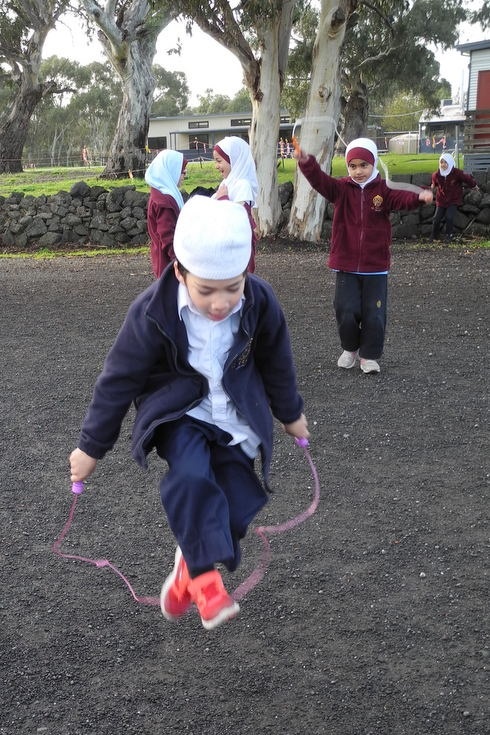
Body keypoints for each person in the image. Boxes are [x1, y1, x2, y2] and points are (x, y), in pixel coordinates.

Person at [69, 195, 309, 631]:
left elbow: (278, 360)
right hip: (181, 413)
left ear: (246, 273)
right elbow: (118, 378)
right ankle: (204, 580)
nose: (220, 303)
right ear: (179, 271)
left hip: (235, 418)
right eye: (206, 290)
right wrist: (91, 446)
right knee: (192, 477)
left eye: (232, 288)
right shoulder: (151, 311)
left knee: (237, 503)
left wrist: (290, 412)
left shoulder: (260, 301)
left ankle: (186, 569)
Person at [293, 136, 433, 374]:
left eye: (363, 165)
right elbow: (319, 180)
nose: (358, 171)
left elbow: (401, 198)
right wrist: (306, 161)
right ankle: (350, 348)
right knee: (344, 309)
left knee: (374, 313)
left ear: (374, 164)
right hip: (346, 264)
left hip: (375, 266)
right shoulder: (340, 190)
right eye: (353, 166)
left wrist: (419, 197)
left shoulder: (383, 190)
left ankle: (369, 356)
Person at [212, 136, 259, 272]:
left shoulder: (242, 185)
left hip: (236, 252)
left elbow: (237, 220)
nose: (216, 166)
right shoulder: (229, 183)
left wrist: (222, 199)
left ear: (234, 160)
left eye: (219, 161)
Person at [145, 149, 187, 278]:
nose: (184, 176)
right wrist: (179, 264)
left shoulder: (159, 193)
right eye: (182, 172)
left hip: (164, 259)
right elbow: (167, 236)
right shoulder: (164, 201)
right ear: (171, 171)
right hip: (168, 263)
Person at [430, 153, 478, 242]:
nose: (443, 165)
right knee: (436, 219)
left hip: (453, 199)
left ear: (450, 163)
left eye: (445, 162)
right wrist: (432, 187)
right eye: (441, 162)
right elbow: (434, 183)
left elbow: (467, 179)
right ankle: (434, 235)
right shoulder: (436, 175)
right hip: (441, 199)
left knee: (449, 217)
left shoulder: (457, 173)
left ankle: (449, 235)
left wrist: (474, 185)